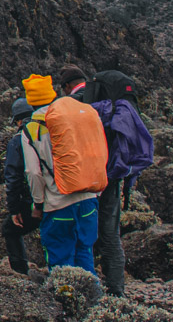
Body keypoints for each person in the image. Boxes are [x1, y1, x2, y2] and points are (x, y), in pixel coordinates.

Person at [19, 72, 107, 274]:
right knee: (85, 253)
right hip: (88, 198)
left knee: (60, 261)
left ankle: (66, 302)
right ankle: (93, 301)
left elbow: (33, 172)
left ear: (31, 102)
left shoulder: (31, 129)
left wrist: (38, 204)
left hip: (58, 204)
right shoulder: (79, 116)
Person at [86, 68, 153, 297]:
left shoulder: (97, 112)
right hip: (113, 178)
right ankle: (116, 291)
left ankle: (88, 287)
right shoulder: (124, 114)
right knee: (111, 236)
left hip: (90, 179)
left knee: (84, 232)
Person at [1, 96, 37, 274]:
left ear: (18, 121)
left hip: (32, 199)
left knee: (10, 229)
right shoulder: (49, 131)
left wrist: (14, 209)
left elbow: (13, 178)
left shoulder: (17, 140)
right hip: (60, 195)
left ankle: (21, 273)